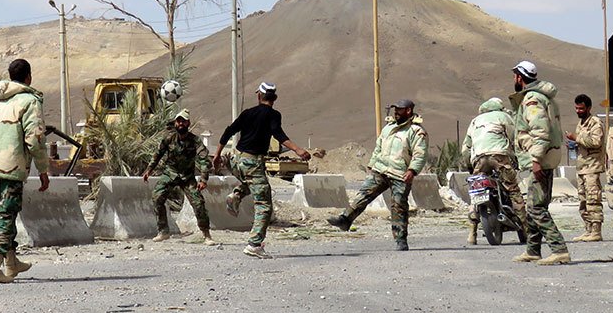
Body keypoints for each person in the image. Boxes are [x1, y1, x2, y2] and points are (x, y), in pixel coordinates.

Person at [0, 59, 50, 283]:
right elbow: (35, 138)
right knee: (6, 215)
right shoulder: (29, 100)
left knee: (4, 212)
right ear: (28, 77)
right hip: (11, 166)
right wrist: (43, 169)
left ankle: (11, 263)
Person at [212, 82, 311, 259]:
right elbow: (278, 134)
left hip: (237, 161)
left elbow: (229, 131)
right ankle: (254, 244)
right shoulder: (273, 115)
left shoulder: (247, 113)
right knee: (264, 205)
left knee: (255, 182)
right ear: (275, 98)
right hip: (253, 162)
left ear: (259, 96)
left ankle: (235, 195)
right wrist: (297, 149)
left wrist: (217, 155)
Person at [327, 99, 429, 251]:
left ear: (408, 111)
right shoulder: (388, 128)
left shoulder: (416, 131)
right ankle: (345, 219)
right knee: (363, 194)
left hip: (400, 173)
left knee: (398, 205)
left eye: (399, 110)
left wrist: (412, 170)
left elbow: (420, 154)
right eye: (395, 109)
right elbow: (379, 147)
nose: (395, 112)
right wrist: (372, 162)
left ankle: (400, 239)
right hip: (381, 170)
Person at [509, 61, 570, 265]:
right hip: (546, 156)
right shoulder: (545, 98)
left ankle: (559, 249)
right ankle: (533, 250)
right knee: (533, 205)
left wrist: (535, 160)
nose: (514, 80)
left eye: (515, 76)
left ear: (520, 77)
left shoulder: (532, 100)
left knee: (536, 208)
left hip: (540, 159)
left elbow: (540, 131)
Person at [143, 108, 216, 245]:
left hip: (187, 177)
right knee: (157, 196)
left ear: (188, 123)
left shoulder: (195, 141)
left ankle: (206, 235)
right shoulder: (168, 139)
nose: (180, 124)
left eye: (183, 121)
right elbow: (158, 154)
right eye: (178, 121)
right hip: (170, 173)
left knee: (198, 203)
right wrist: (149, 170)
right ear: (175, 123)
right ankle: (163, 231)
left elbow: (203, 159)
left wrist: (204, 178)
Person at [462, 97, 525, 245]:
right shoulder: (503, 116)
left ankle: (472, 234)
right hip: (499, 156)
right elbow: (514, 137)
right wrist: (518, 158)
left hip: (478, 159)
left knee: (476, 193)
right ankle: (526, 228)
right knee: (513, 190)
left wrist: (470, 167)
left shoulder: (474, 121)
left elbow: (466, 148)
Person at [566, 94, 606, 242]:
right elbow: (584, 142)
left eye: (581, 108)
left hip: (592, 167)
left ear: (588, 108)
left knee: (593, 199)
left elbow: (596, 142)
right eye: (576, 108)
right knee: (583, 199)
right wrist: (574, 144)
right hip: (582, 167)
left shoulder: (595, 123)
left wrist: (576, 138)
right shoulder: (581, 123)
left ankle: (596, 231)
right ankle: (588, 229)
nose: (578, 111)